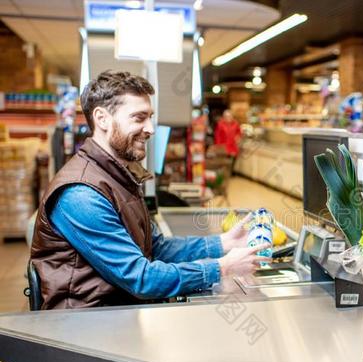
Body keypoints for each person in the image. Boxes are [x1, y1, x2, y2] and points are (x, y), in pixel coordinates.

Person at [30, 71, 268, 310]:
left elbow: (156, 248)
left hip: (118, 311)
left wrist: (223, 243)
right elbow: (141, 279)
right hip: (88, 326)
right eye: (139, 118)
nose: (150, 129)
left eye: (150, 117)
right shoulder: (81, 194)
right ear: (102, 119)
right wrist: (222, 268)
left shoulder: (117, 177)